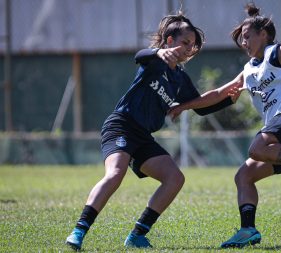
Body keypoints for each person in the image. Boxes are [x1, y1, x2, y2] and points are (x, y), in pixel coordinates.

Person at [168, 3, 281, 248]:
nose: (243, 42)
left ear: (263, 34)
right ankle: (248, 230)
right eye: (241, 39)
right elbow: (219, 93)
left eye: (247, 36)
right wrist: (183, 106)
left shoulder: (279, 53)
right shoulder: (249, 71)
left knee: (256, 147)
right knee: (244, 175)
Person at [65, 12, 240, 251]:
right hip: (122, 124)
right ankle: (79, 231)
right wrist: (158, 52)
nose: (189, 49)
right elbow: (140, 55)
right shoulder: (155, 60)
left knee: (175, 178)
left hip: (143, 136)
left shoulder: (179, 78)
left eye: (192, 46)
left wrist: (230, 96)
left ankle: (137, 235)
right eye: (185, 42)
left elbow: (201, 106)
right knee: (115, 174)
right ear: (169, 40)